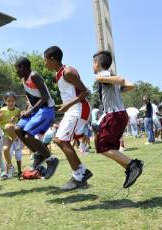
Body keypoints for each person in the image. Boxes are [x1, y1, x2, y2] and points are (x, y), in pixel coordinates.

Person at [43, 46, 93, 189]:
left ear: (52, 59)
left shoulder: (68, 72)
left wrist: (67, 105)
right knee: (59, 140)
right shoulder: (59, 74)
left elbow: (85, 92)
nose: (45, 63)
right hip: (72, 109)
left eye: (45, 60)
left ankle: (79, 177)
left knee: (61, 140)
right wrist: (64, 105)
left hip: (79, 109)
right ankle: (82, 173)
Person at [92, 50, 144, 189]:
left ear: (97, 63)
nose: (92, 66)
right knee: (109, 147)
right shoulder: (109, 77)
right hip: (119, 114)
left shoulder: (102, 76)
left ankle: (133, 165)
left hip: (114, 115)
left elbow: (121, 80)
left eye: (93, 63)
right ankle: (130, 168)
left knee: (102, 147)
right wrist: (117, 90)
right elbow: (131, 85)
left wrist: (101, 79)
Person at [13, 57, 59, 179]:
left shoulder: (34, 76)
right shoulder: (24, 79)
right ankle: (38, 154)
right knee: (17, 129)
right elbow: (32, 97)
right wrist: (28, 109)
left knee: (28, 135)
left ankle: (51, 159)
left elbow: (44, 97)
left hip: (46, 110)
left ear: (23, 67)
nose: (16, 72)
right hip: (35, 111)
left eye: (17, 69)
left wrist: (30, 111)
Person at [0, 91, 21, 179]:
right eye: (8, 101)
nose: (11, 103)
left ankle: (16, 139)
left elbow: (20, 122)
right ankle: (10, 166)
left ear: (15, 101)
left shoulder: (17, 110)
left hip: (15, 131)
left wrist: (14, 121)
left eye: (12, 101)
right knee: (5, 149)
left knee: (9, 126)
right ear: (5, 101)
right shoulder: (2, 110)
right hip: (6, 133)